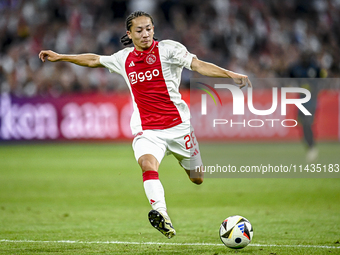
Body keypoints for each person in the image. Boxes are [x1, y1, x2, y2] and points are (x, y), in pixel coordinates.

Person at [39, 11, 252, 239]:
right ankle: (161, 213)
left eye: (149, 28)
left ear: (154, 29)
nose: (145, 34)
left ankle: (180, 172)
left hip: (179, 128)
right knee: (147, 164)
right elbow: (94, 59)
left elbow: (198, 65)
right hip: (148, 131)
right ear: (129, 34)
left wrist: (230, 74)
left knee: (197, 178)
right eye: (139, 30)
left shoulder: (169, 49)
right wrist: (60, 56)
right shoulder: (124, 58)